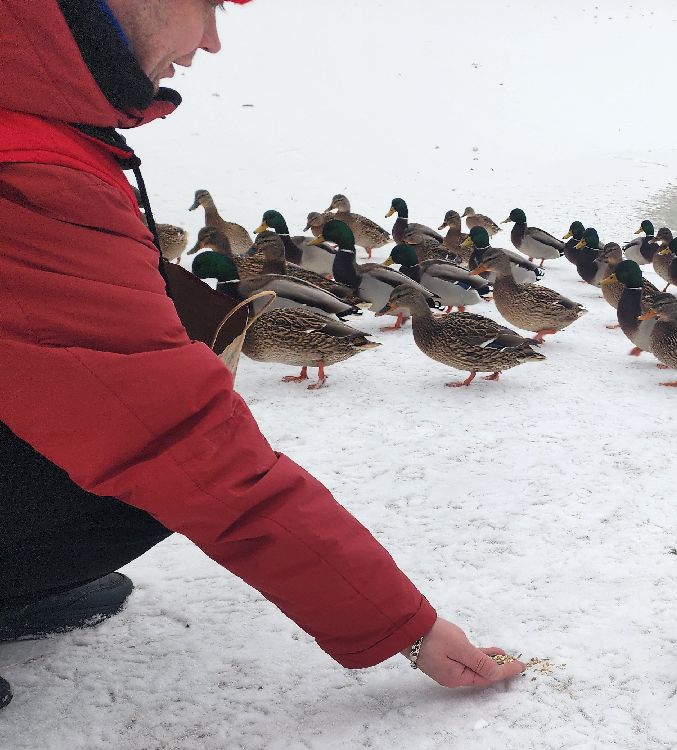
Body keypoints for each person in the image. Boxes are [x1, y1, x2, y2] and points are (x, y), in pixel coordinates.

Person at [0, 0, 525, 711]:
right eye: (209, 5)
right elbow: (177, 440)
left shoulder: (38, 119)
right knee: (152, 470)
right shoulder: (27, 165)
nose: (211, 41)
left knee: (127, 460)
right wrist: (407, 626)